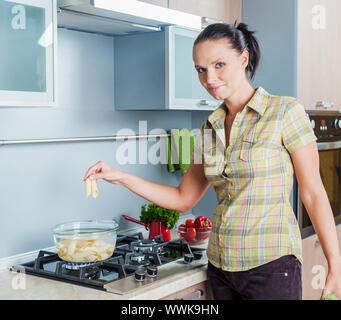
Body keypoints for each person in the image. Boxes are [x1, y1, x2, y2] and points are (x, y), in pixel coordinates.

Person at [84, 22, 341, 300]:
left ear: (243, 59)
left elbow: (313, 194)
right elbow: (183, 198)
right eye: (201, 70)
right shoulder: (209, 127)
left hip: (272, 266)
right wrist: (120, 176)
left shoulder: (284, 111)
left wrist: (335, 266)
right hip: (220, 267)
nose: (209, 78)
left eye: (219, 65)